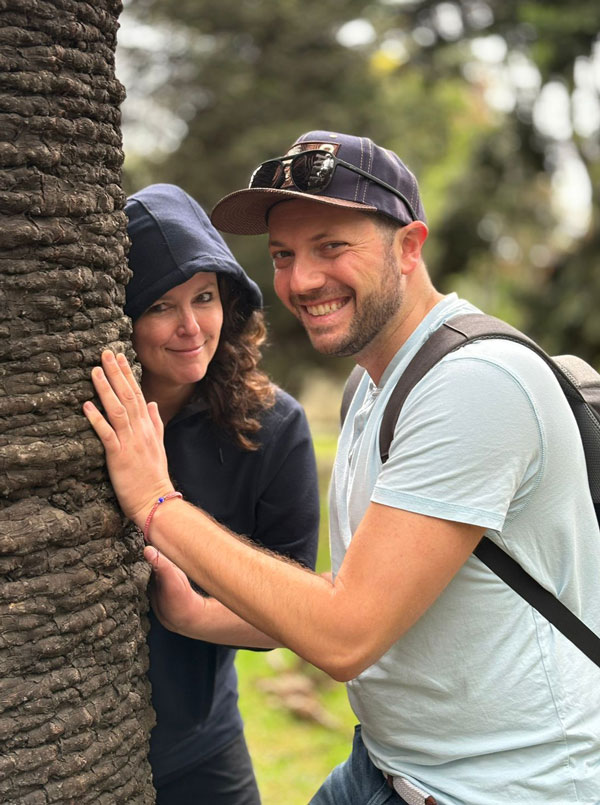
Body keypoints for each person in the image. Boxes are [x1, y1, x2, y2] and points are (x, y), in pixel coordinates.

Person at [84, 134, 600, 805]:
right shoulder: (373, 389)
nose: (301, 279)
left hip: (504, 788)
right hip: (383, 769)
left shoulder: (477, 382)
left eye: (332, 246)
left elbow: (343, 631)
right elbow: (345, 591)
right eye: (284, 255)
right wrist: (198, 615)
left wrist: (156, 501)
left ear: (409, 246)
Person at [118, 183, 319, 804]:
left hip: (202, 742)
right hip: (64, 747)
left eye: (203, 298)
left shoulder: (274, 429)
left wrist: (192, 613)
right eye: (159, 305)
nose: (190, 328)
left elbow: (296, 616)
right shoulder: (58, 429)